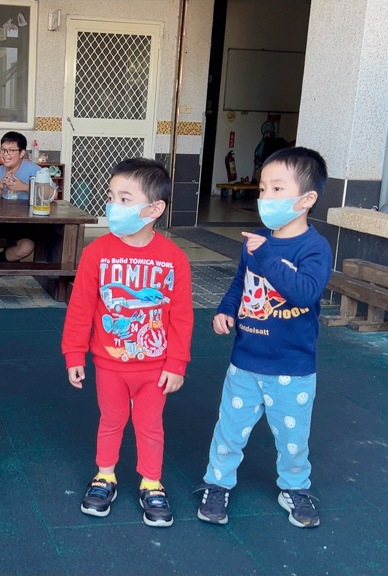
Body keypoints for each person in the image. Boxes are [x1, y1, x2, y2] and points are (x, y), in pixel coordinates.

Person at [196, 147, 332, 529]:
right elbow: (241, 282)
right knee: (228, 430)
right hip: (246, 361)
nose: (265, 198)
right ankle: (217, 483)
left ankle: (294, 488)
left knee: (293, 438)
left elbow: (304, 292)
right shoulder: (255, 239)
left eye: (277, 189)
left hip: (293, 367)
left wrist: (268, 257)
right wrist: (225, 310)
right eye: (262, 189)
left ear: (306, 199)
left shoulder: (315, 248)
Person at [62, 158, 194, 528]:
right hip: (109, 364)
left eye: (124, 199)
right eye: (111, 197)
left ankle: (152, 482)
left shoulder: (174, 259)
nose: (113, 206)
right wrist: (74, 353)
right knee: (111, 420)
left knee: (150, 426)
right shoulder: (96, 252)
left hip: (155, 367)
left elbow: (182, 317)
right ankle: (105, 475)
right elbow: (81, 308)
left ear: (154, 209)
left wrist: (176, 363)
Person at [0, 131, 36, 264]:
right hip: (1, 220)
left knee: (27, 246)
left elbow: (51, 194)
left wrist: (24, 187)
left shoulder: (33, 169)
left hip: (24, 223)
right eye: (3, 150)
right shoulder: (0, 170)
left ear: (22, 153)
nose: (5, 154)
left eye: (10, 150)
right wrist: (0, 188)